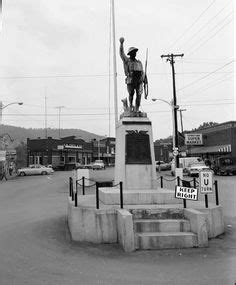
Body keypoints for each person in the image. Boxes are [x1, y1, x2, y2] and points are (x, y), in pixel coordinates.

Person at [119, 37, 145, 112]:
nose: (135, 53)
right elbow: (121, 53)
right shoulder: (127, 61)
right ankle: (130, 106)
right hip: (130, 80)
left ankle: (137, 108)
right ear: (130, 54)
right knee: (131, 94)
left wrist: (144, 79)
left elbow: (142, 72)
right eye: (133, 52)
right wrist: (121, 44)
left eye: (135, 52)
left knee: (139, 94)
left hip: (139, 81)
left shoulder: (139, 62)